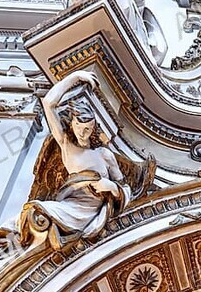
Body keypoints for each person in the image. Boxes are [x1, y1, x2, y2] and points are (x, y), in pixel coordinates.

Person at [18, 70, 125, 251]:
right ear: (72, 124)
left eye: (89, 128)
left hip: (93, 210)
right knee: (35, 212)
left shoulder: (104, 154)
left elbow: (125, 187)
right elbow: (48, 103)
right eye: (79, 127)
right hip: (71, 205)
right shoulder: (66, 145)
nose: (84, 133)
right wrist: (75, 77)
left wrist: (113, 187)